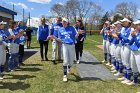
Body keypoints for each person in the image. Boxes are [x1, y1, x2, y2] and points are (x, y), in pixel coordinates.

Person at [116, 18, 134, 84]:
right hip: (123, 46)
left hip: (127, 46)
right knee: (124, 62)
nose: (123, 23)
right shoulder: (123, 29)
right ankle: (125, 76)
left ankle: (128, 78)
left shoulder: (131, 29)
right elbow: (121, 38)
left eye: (124, 22)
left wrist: (120, 35)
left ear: (128, 22)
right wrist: (119, 35)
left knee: (127, 62)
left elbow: (128, 40)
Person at [125, 20, 140, 85]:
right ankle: (135, 82)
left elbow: (139, 44)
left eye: (137, 25)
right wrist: (132, 36)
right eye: (135, 25)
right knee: (134, 67)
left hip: (138, 52)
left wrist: (134, 36)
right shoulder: (136, 32)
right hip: (133, 51)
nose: (135, 26)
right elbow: (130, 43)